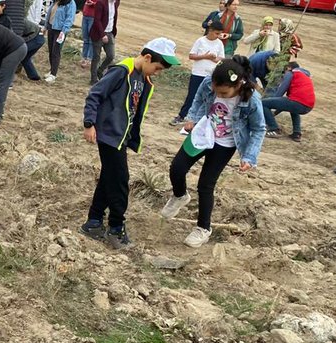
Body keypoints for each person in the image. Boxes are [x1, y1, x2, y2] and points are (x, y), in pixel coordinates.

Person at [79, 38, 179, 249]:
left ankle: (94, 221)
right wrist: (89, 123)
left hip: (120, 136)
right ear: (147, 57)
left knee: (109, 177)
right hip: (108, 134)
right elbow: (95, 95)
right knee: (121, 180)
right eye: (157, 68)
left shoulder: (142, 77)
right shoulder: (121, 72)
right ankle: (116, 226)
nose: (157, 73)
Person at [163, 56, 265, 248]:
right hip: (204, 132)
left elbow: (259, 129)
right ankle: (179, 196)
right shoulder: (209, 82)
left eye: (224, 92)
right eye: (216, 90)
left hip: (225, 143)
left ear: (238, 85)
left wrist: (249, 157)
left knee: (205, 185)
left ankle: (203, 229)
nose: (219, 93)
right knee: (177, 167)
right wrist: (192, 117)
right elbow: (199, 98)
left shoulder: (252, 100)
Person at [172, 19, 224, 126]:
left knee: (208, 98)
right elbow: (191, 55)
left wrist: (213, 58)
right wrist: (205, 56)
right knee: (192, 95)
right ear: (210, 30)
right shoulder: (200, 41)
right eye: (216, 33)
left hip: (210, 75)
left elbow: (221, 59)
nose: (218, 36)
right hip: (198, 73)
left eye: (219, 34)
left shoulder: (219, 44)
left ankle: (203, 119)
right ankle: (182, 115)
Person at [262, 61, 312, 142]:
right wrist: (274, 113)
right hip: (308, 105)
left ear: (288, 68)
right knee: (293, 107)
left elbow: (279, 93)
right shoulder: (304, 75)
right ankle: (297, 133)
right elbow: (286, 104)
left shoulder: (290, 73)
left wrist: (270, 103)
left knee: (263, 103)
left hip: (297, 102)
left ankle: (274, 129)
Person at [43, 0, 76, 82]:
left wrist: (64, 31)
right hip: (51, 27)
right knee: (51, 51)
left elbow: (70, 18)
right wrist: (45, 26)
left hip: (60, 30)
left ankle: (53, 75)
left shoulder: (70, 3)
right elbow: (49, 14)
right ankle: (51, 70)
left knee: (56, 51)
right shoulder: (55, 1)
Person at [88, 0, 119, 84]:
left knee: (111, 55)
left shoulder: (116, 3)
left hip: (110, 33)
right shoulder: (101, 3)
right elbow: (97, 20)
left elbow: (113, 17)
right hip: (98, 34)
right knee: (96, 57)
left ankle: (100, 70)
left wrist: (112, 33)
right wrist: (102, 35)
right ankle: (93, 79)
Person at [19, 17, 47, 83]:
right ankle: (34, 77)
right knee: (25, 57)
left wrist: (23, 41)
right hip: (38, 37)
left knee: (19, 52)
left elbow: (31, 34)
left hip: (37, 38)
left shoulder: (18, 23)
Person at [79, 0, 96, 70]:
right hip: (85, 15)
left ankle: (89, 59)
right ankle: (84, 57)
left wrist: (94, 4)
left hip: (93, 16)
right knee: (85, 38)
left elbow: (102, 3)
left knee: (91, 39)